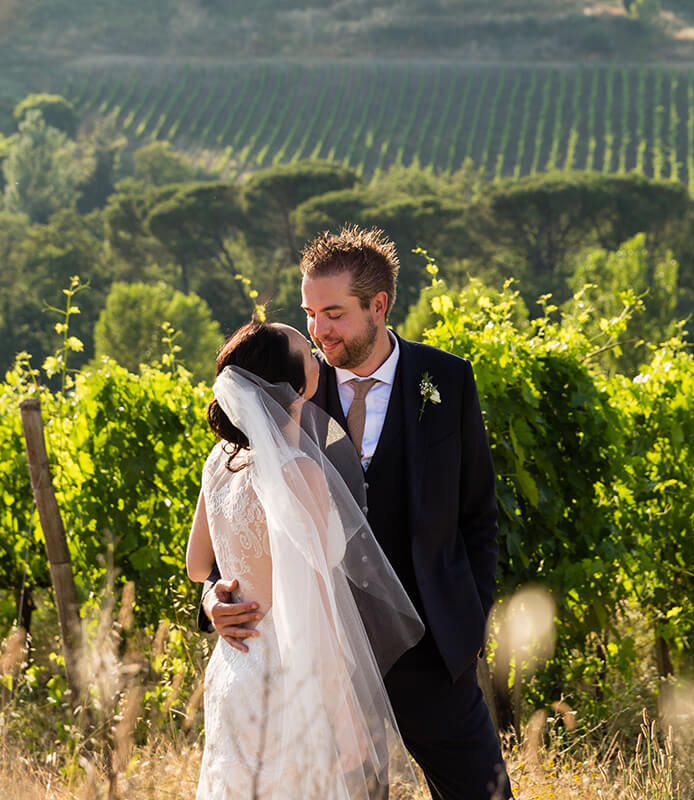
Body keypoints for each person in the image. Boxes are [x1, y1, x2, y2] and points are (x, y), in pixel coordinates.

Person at [200, 226, 513, 800]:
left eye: (334, 313)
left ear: (379, 305)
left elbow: (478, 517)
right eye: (311, 313)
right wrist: (213, 598)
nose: (318, 330)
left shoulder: (446, 379)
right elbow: (234, 512)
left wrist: (470, 623)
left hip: (435, 654)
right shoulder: (287, 386)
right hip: (321, 663)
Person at [187, 320, 425, 800]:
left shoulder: (220, 459)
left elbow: (197, 565)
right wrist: (345, 718)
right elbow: (316, 608)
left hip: (236, 669)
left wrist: (217, 595)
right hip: (293, 679)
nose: (317, 352)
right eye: (306, 350)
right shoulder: (300, 473)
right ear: (291, 384)